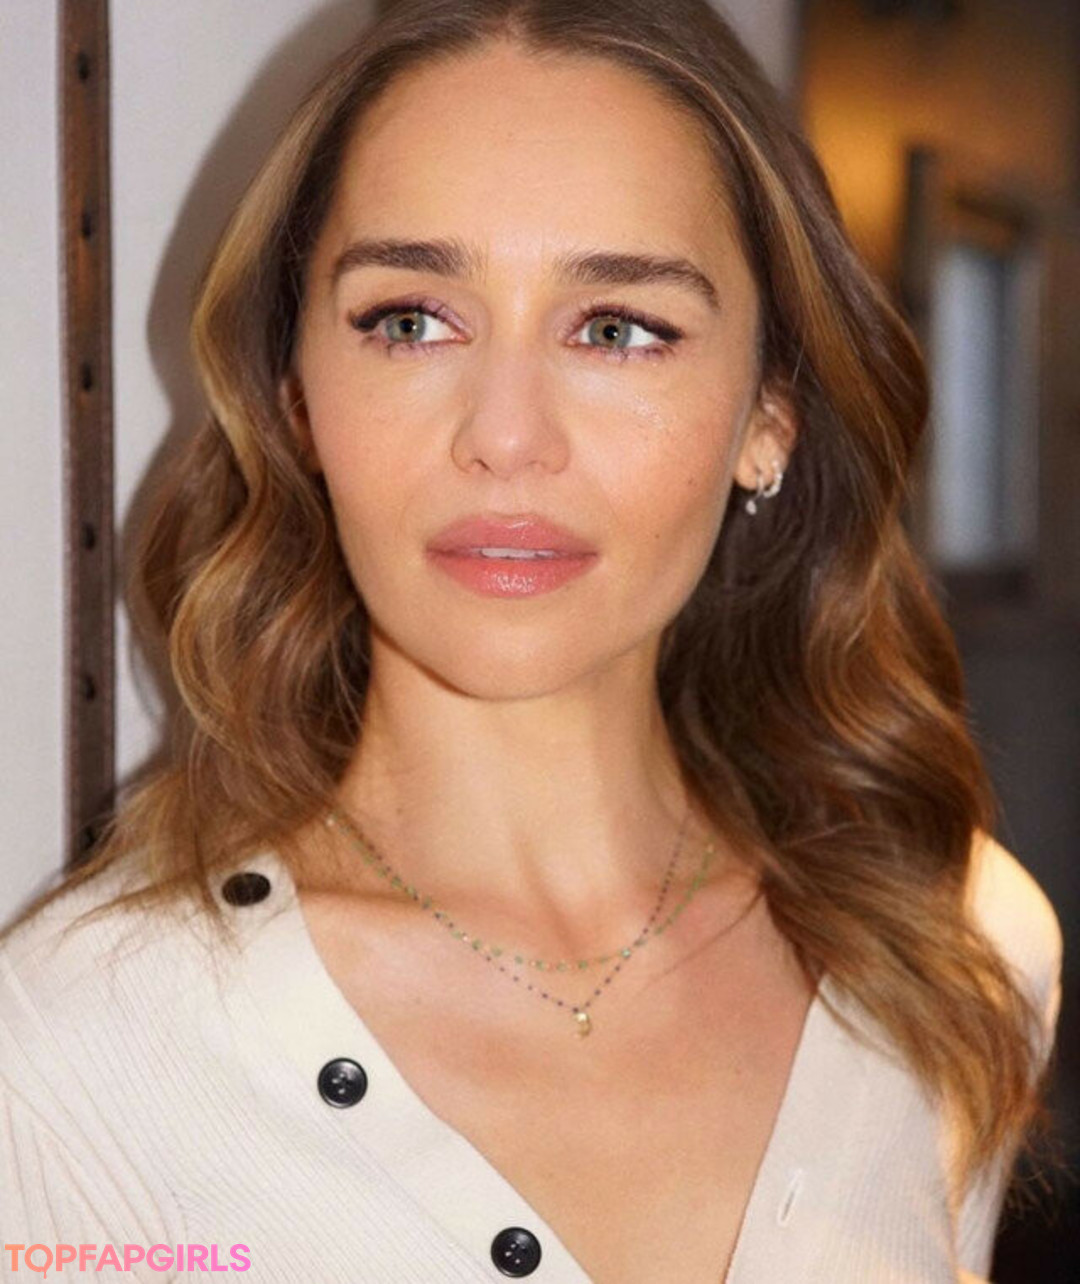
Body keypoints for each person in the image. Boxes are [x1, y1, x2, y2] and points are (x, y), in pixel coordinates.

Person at [0, 1, 1063, 1281]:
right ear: (297, 400)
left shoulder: (956, 948)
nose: (505, 437)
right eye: (411, 320)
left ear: (768, 415)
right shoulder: (74, 1060)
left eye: (617, 328)